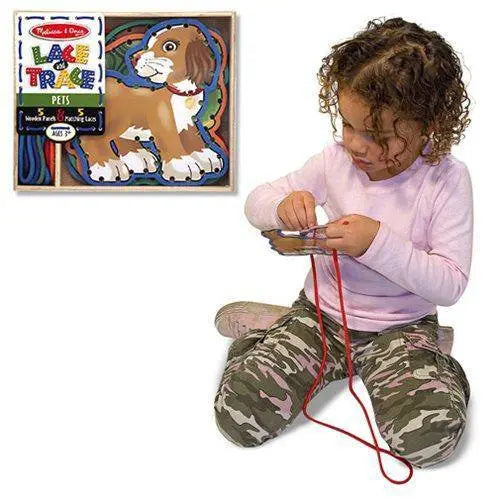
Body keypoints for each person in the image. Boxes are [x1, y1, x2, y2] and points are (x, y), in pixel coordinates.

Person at [214, 17, 472, 469]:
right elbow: (257, 202)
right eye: (348, 124)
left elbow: (450, 285)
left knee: (429, 442)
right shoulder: (334, 162)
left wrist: (376, 243)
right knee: (238, 417)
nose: (356, 144)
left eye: (378, 135)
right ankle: (266, 337)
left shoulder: (446, 180)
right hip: (321, 318)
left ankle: (436, 363)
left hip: (403, 329)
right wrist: (283, 206)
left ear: (429, 125)